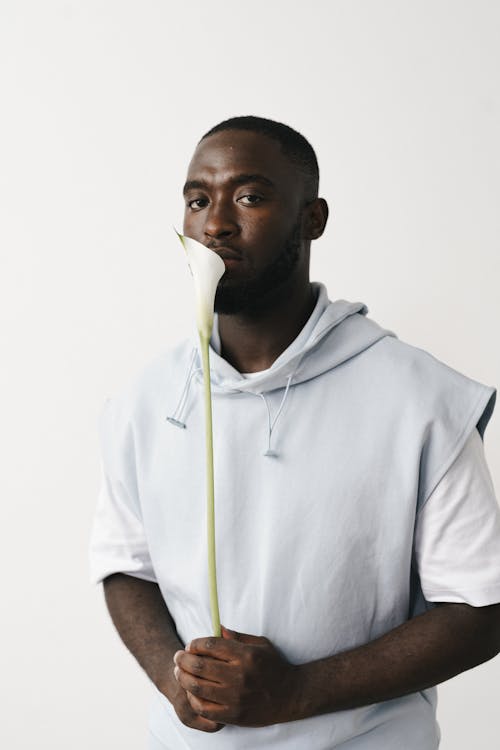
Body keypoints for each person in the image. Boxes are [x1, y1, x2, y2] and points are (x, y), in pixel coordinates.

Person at [89, 115, 500, 749]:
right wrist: (176, 682)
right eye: (198, 200)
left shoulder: (423, 399)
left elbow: (481, 610)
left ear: (313, 218)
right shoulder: (146, 398)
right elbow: (126, 565)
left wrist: (297, 691)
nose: (216, 222)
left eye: (249, 196)